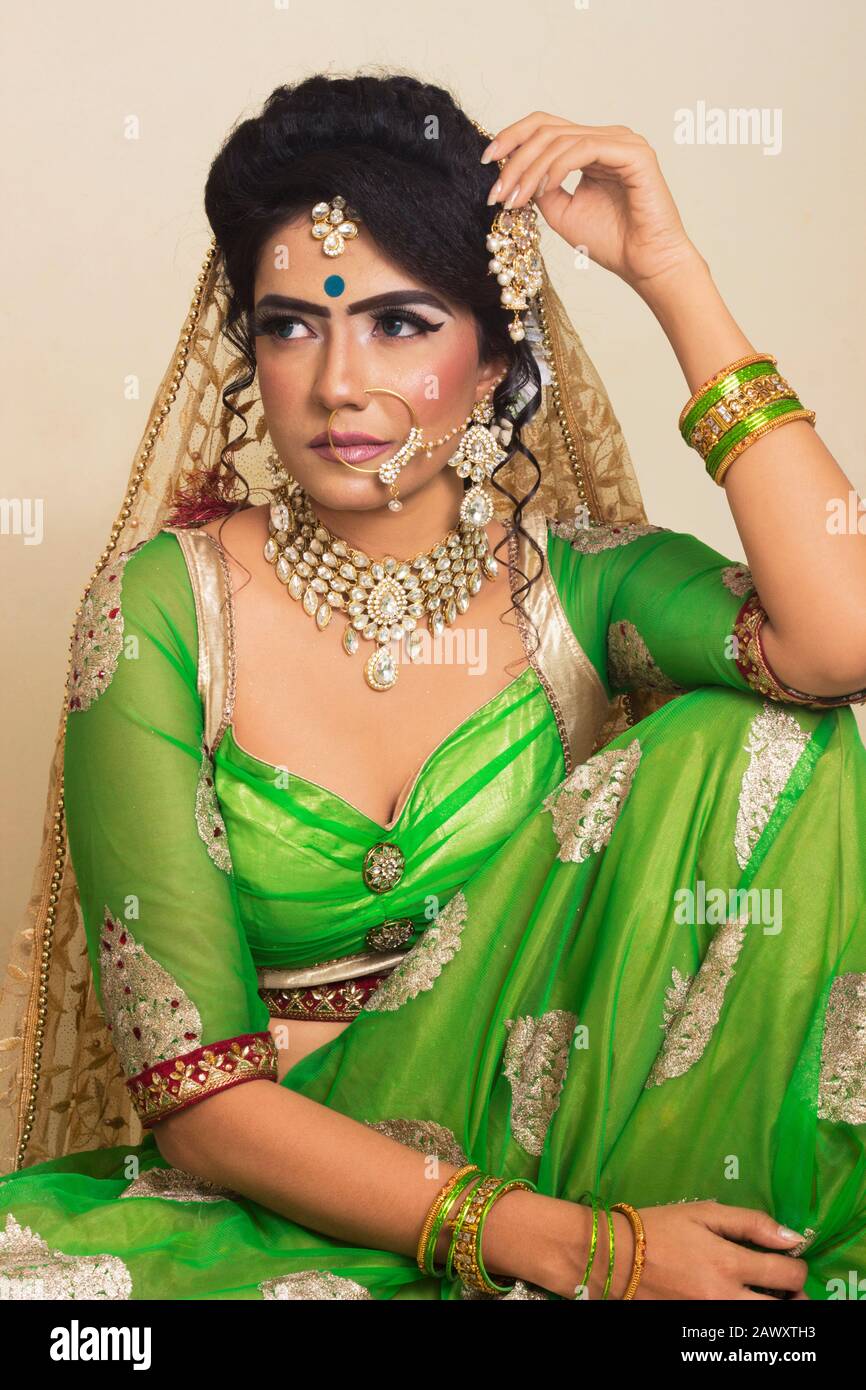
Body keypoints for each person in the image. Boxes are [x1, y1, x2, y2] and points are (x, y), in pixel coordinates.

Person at [1, 71, 865, 1302]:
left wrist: (670, 271)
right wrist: (582, 1253)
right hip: (305, 1188)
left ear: (496, 350)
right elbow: (201, 1109)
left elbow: (842, 644)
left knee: (770, 739)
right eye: (291, 322)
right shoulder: (165, 610)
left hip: (585, 1149)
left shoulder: (585, 589)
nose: (339, 382)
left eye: (399, 322)